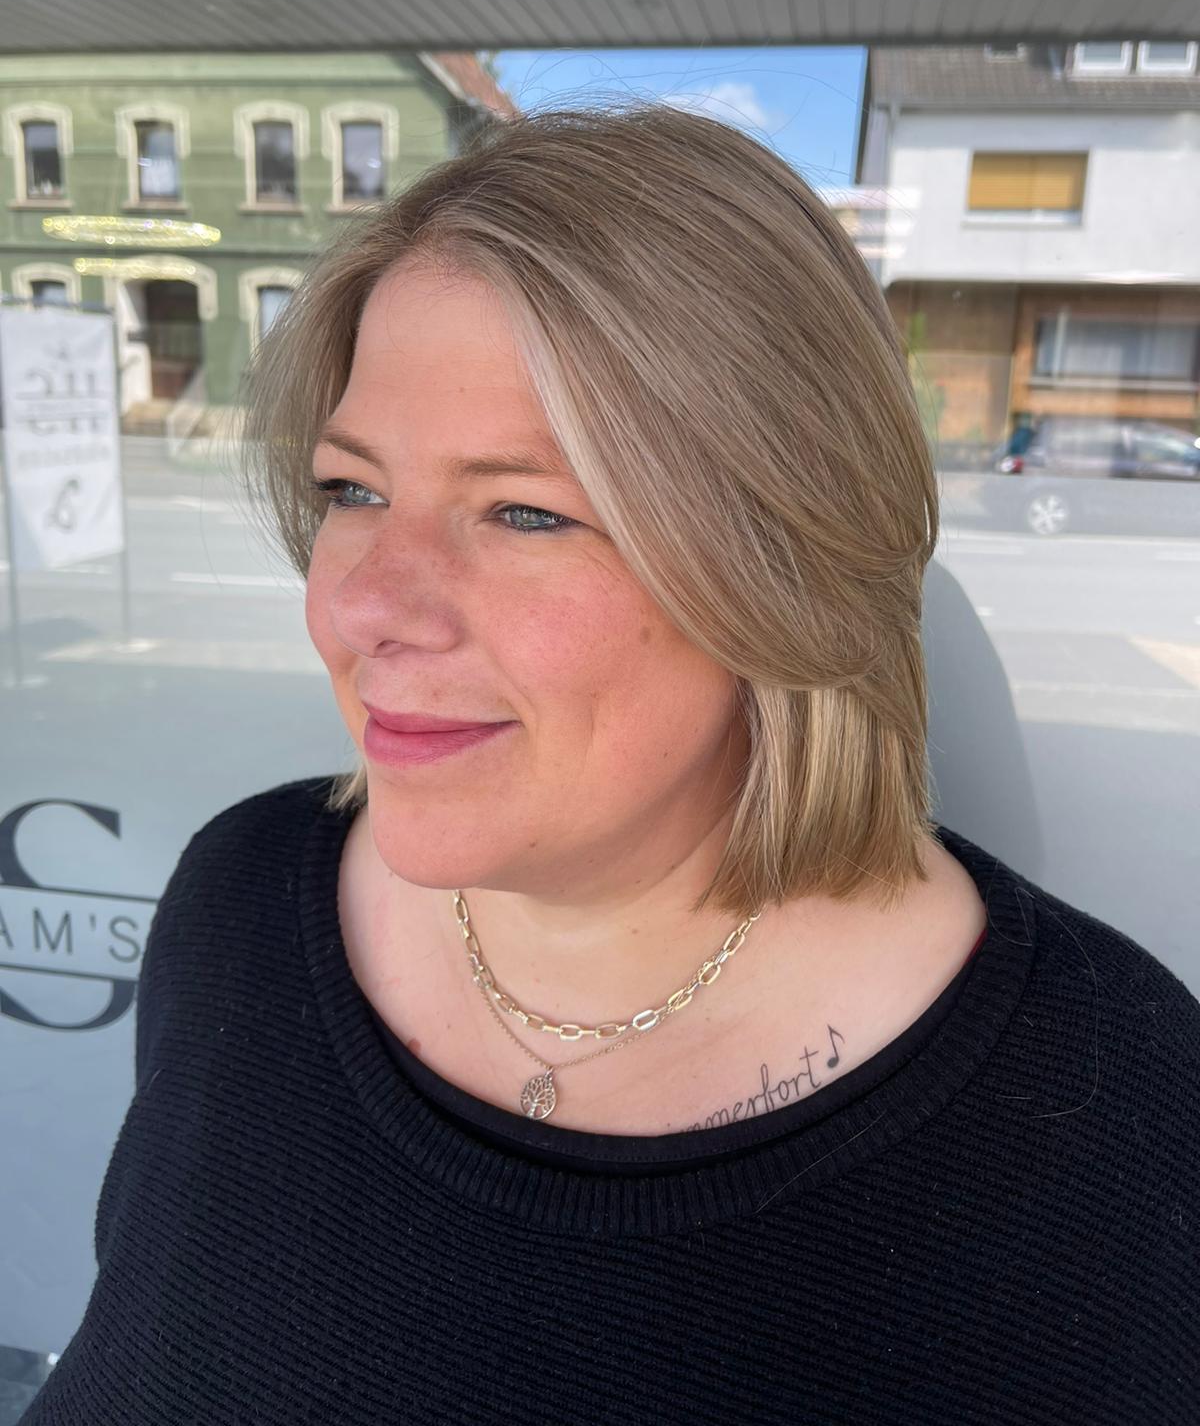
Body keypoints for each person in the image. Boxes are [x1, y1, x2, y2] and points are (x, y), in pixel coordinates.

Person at [21, 104, 1198, 1425]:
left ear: (783, 566)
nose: (364, 606)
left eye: (525, 511)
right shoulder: (239, 903)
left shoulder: (1118, 1119)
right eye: (353, 490)